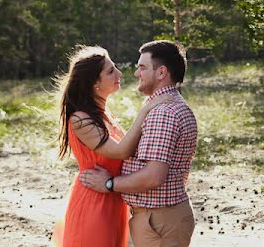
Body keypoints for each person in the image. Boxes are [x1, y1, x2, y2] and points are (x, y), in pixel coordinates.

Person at [80, 40, 198, 247]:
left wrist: (109, 184)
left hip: (159, 221)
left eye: (142, 67)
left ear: (161, 73)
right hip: (158, 219)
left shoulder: (163, 113)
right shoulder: (160, 106)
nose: (136, 73)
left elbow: (153, 177)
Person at [53, 45, 173, 247]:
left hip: (113, 199)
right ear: (93, 84)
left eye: (115, 67)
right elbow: (121, 151)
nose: (118, 73)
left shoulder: (104, 115)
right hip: (94, 202)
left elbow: (133, 150)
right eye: (110, 71)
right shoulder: (80, 119)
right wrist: (146, 109)